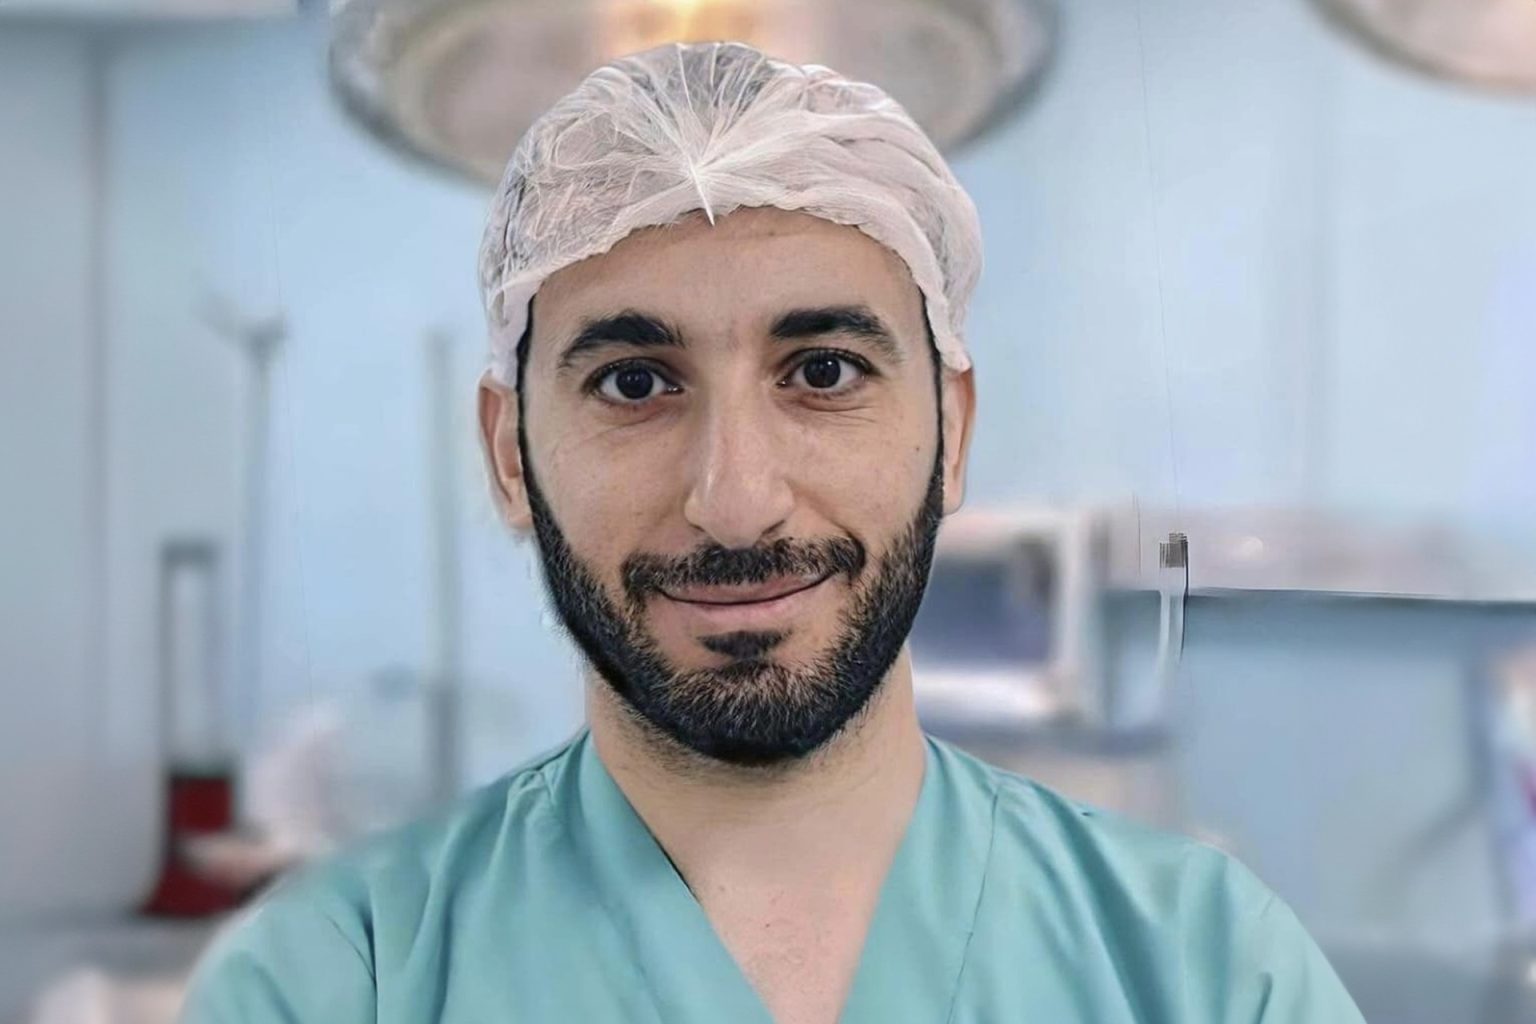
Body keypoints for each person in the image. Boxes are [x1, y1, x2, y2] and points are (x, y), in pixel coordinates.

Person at [180, 41, 1366, 1023]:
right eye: (635, 383)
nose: (737, 499)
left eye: (824, 369)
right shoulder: (331, 981)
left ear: (953, 428)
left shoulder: (1207, 972)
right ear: (509, 454)